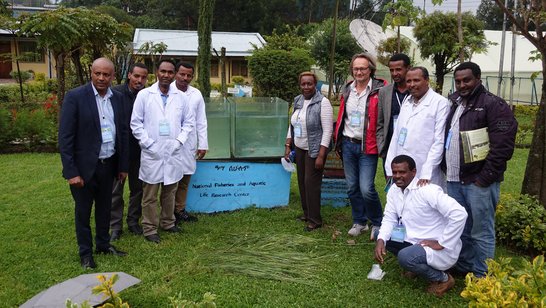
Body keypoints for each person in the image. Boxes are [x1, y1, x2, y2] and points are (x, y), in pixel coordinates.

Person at [442, 62, 517, 277]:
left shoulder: (493, 104)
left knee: (481, 230)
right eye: (458, 81)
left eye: (467, 80)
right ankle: (465, 266)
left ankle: (483, 274)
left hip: (478, 181)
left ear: (478, 79)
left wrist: (485, 178)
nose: (462, 85)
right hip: (455, 179)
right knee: (462, 227)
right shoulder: (455, 102)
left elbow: (502, 147)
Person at [59, 57, 129, 269]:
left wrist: (123, 166)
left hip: (108, 166)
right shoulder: (75, 97)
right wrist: (71, 172)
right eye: (97, 73)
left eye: (106, 74)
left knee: (105, 209)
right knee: (83, 212)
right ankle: (86, 253)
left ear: (112, 76)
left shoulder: (117, 98)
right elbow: (65, 137)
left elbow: (123, 133)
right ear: (91, 73)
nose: (101, 78)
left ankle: (103, 244)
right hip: (83, 169)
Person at [374, 155, 467, 297]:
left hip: (437, 247)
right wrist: (381, 240)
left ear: (414, 172)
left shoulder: (427, 190)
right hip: (413, 239)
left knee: (405, 257)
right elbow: (389, 218)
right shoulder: (394, 190)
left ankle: (444, 279)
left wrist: (443, 242)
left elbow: (459, 214)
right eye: (395, 172)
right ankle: (416, 266)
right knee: (380, 235)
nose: (397, 176)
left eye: (402, 172)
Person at [130, 59, 195, 244]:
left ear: (174, 74)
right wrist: (148, 144)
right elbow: (136, 123)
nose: (166, 75)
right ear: (156, 72)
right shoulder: (144, 95)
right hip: (152, 152)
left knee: (170, 191)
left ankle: (168, 222)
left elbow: (188, 123)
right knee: (150, 194)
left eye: (170, 72)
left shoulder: (181, 97)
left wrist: (179, 142)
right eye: (163, 71)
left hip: (173, 151)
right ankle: (149, 228)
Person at [333, 52, 386, 238]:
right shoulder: (348, 89)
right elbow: (342, 116)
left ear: (370, 69)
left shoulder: (380, 89)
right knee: (352, 186)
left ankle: (378, 222)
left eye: (363, 68)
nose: (359, 72)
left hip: (368, 146)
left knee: (366, 187)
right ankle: (360, 221)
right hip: (348, 144)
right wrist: (338, 141)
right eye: (356, 68)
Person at [284, 72, 333, 231]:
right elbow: (292, 124)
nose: (306, 87)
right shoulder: (298, 100)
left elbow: (327, 131)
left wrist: (321, 154)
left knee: (311, 184)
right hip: (299, 147)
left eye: (309, 84)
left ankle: (315, 220)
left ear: (315, 84)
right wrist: (288, 143)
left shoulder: (323, 103)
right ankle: (306, 213)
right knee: (302, 182)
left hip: (314, 149)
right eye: (303, 84)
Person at [385, 67, 448, 188]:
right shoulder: (407, 101)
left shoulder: (440, 103)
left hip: (425, 168)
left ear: (427, 80)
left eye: (416, 80)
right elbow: (397, 136)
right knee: (404, 202)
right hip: (403, 167)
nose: (412, 84)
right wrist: (390, 168)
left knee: (425, 203)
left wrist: (427, 171)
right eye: (408, 81)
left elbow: (439, 141)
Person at [110, 63, 149, 241]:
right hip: (118, 151)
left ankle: (133, 221)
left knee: (137, 188)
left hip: (140, 150)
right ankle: (115, 226)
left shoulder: (148, 96)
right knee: (116, 190)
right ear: (129, 75)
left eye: (143, 77)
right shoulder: (115, 93)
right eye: (136, 76)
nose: (139, 80)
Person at [172, 62, 208, 224]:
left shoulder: (196, 94)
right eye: (182, 74)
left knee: (185, 179)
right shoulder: (166, 91)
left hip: (189, 144)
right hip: (170, 142)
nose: (185, 78)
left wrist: (203, 144)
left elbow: (201, 121)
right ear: (175, 74)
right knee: (169, 179)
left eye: (189, 75)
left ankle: (179, 210)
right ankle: (167, 212)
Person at [377, 53, 411, 165]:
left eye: (398, 69)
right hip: (390, 148)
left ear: (408, 68)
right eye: (392, 70)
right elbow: (380, 122)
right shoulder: (384, 92)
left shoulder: (415, 91)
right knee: (391, 181)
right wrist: (381, 145)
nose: (395, 73)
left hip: (411, 148)